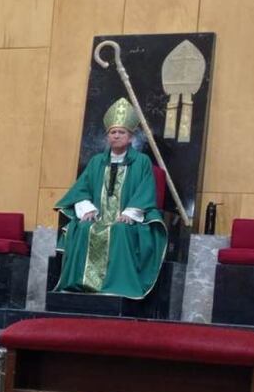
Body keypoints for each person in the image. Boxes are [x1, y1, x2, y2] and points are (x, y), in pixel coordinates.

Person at [54, 97, 168, 299]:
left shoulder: (141, 162)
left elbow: (145, 191)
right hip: (99, 217)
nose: (116, 136)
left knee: (121, 230)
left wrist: (130, 213)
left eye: (121, 132)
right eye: (113, 132)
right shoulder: (97, 161)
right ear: (107, 136)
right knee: (82, 227)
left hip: (127, 218)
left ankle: (117, 286)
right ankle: (78, 285)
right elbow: (82, 188)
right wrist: (86, 207)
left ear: (131, 137)